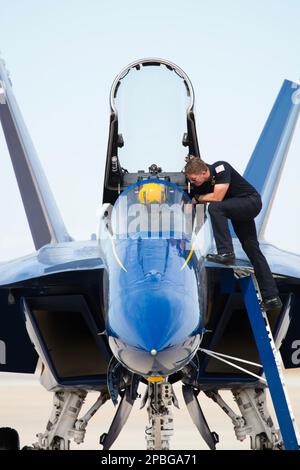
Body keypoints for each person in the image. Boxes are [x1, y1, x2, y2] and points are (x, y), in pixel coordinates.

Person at [184, 156, 282, 313]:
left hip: (250, 202)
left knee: (215, 208)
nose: (193, 183)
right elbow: (196, 212)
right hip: (237, 211)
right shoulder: (201, 185)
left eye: (194, 179)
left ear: (203, 172)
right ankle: (271, 297)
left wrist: (198, 198)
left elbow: (217, 198)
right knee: (252, 250)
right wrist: (189, 234)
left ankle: (226, 252)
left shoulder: (220, 168)